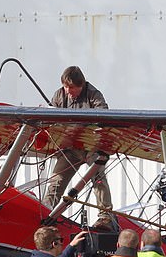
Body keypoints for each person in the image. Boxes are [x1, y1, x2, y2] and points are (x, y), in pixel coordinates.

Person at [45, 66, 114, 230]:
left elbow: (104, 115)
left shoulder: (93, 94)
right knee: (56, 180)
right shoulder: (59, 95)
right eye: (66, 87)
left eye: (72, 88)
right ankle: (46, 211)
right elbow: (49, 117)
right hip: (71, 147)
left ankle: (105, 217)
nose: (68, 91)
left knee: (98, 177)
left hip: (91, 146)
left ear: (81, 85)